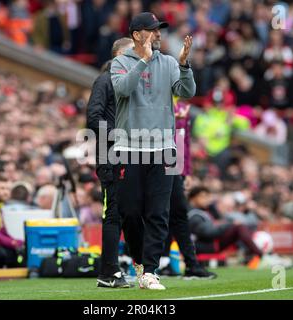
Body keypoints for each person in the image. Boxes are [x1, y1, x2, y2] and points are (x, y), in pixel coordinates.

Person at [110, 12, 196, 290]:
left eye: (159, 30)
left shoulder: (169, 62)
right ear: (137, 35)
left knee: (159, 212)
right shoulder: (120, 62)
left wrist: (184, 65)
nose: (158, 34)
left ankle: (150, 270)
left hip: (164, 148)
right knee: (131, 212)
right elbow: (123, 89)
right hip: (129, 147)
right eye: (153, 30)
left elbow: (187, 92)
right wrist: (144, 61)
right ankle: (139, 260)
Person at [87, 37, 134, 288]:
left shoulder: (128, 85)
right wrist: (120, 136)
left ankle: (130, 266)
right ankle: (109, 272)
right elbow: (92, 118)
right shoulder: (105, 81)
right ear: (118, 55)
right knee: (113, 213)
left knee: (128, 213)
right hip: (111, 156)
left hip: (128, 155)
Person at [160, 98, 217, 279]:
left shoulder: (183, 108)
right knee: (175, 216)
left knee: (173, 217)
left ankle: (165, 263)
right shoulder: (160, 103)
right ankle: (188, 264)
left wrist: (186, 171)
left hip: (176, 169)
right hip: (162, 165)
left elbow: (183, 143)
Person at [187, 188, 264, 269]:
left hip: (210, 243)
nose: (206, 200)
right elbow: (208, 232)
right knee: (238, 227)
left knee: (239, 228)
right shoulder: (194, 215)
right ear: (193, 198)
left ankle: (251, 256)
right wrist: (229, 224)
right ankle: (259, 255)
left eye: (207, 197)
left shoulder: (205, 211)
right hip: (204, 246)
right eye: (203, 197)